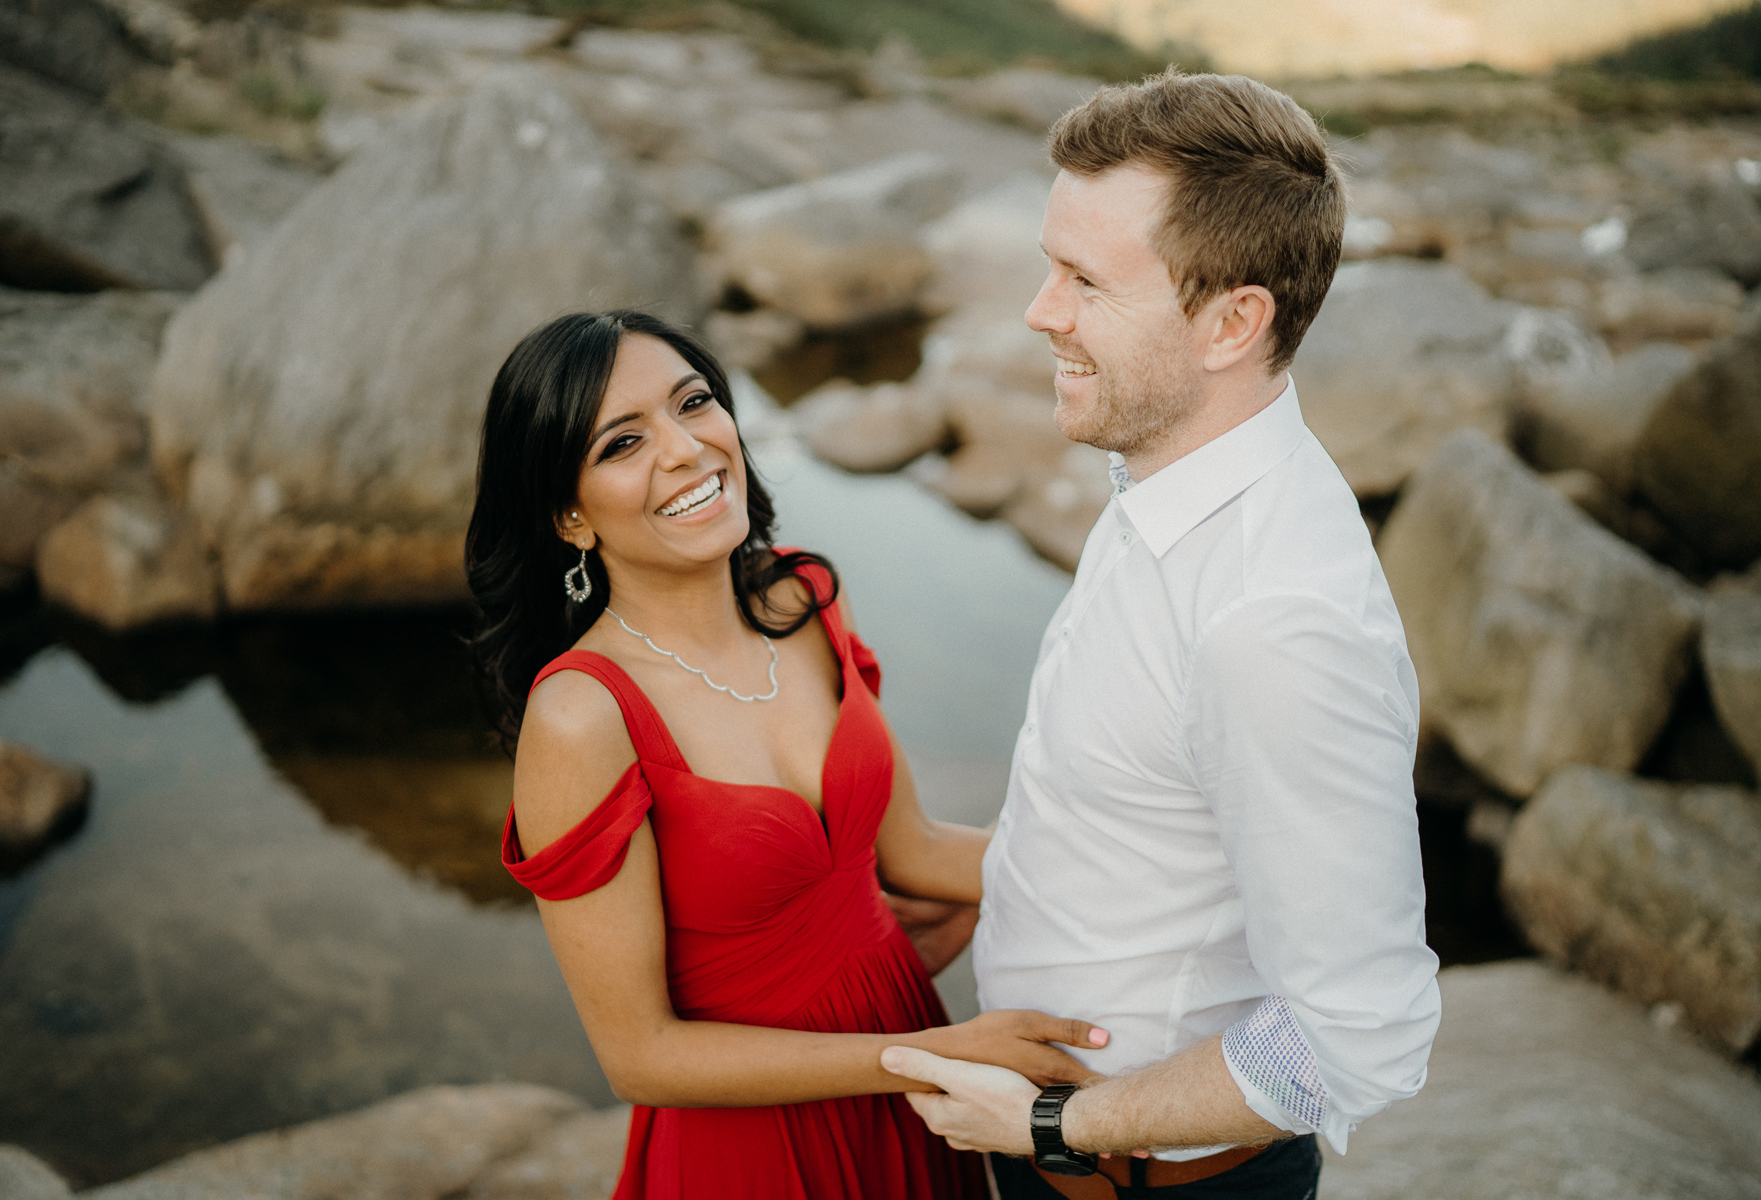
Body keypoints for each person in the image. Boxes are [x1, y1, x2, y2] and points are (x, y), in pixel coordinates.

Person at [880, 71, 1442, 1200]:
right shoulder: (1172, 461)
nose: (1041, 311)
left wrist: (1056, 1125)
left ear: (1234, 322)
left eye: (1085, 280)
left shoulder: (1273, 627)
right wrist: (1013, 874)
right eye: (1050, 266)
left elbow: (1358, 1036)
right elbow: (1159, 793)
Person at [464, 309, 1108, 1200]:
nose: (687, 449)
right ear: (569, 515)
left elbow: (911, 852)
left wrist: (1145, 871)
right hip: (761, 1147)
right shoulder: (583, 715)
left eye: (694, 402)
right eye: (622, 443)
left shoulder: (802, 598)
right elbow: (640, 1057)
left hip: (911, 1095)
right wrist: (935, 1053)